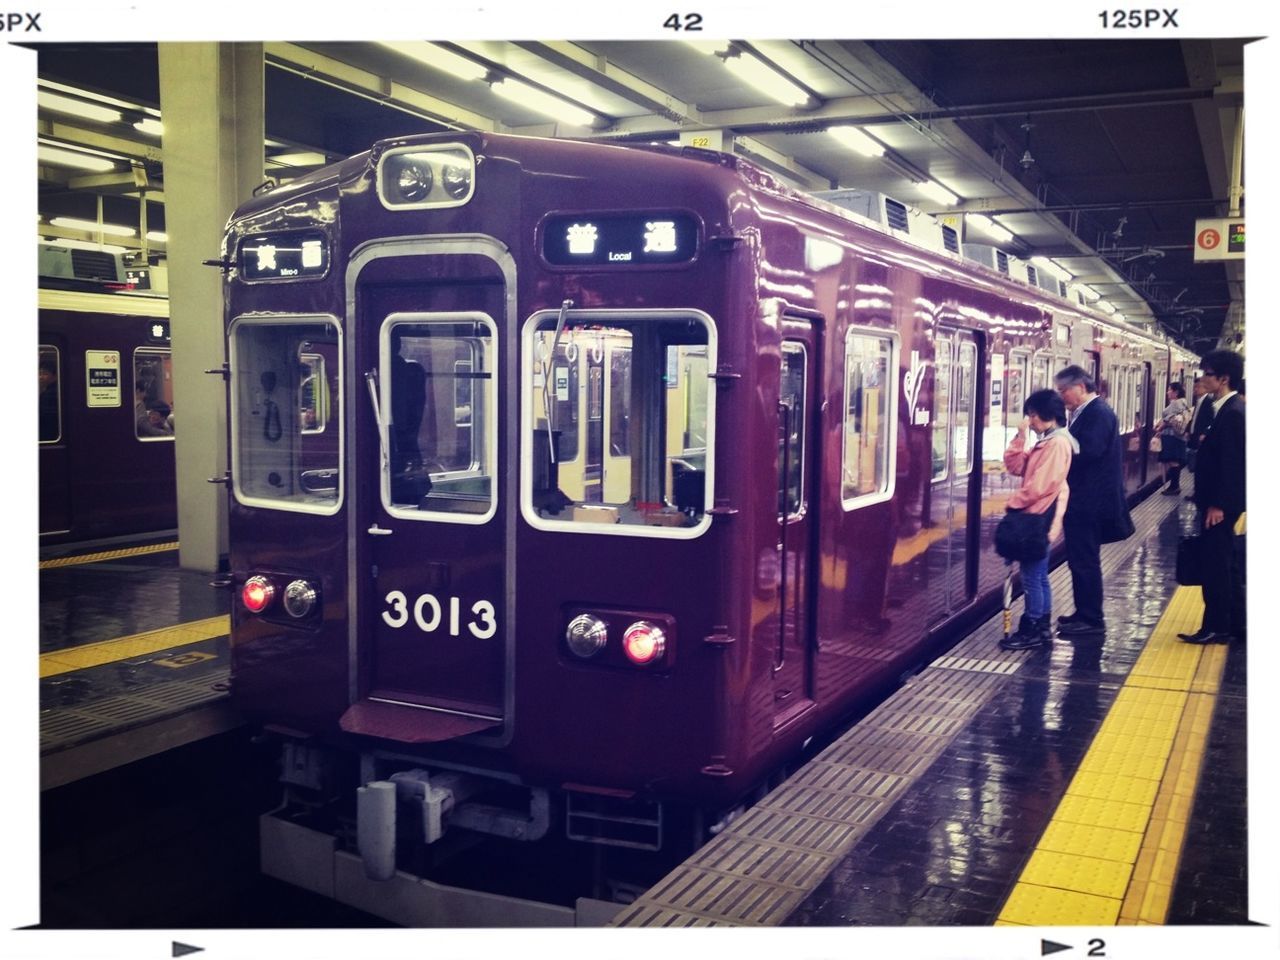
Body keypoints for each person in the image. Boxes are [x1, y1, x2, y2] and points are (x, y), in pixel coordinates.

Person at [998, 389, 1077, 650]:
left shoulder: (1056, 444)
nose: (1030, 420)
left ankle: (1032, 628)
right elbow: (1016, 466)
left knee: (1032, 576)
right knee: (1039, 574)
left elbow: (1039, 486)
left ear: (1048, 415)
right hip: (1040, 516)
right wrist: (1020, 437)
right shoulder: (1047, 441)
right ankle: (1041, 627)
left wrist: (1012, 503)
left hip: (1038, 518)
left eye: (1033, 415)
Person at [1178, 349, 1246, 645]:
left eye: (1207, 373)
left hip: (1219, 506)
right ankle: (1234, 624)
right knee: (1226, 563)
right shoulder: (1227, 409)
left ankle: (1216, 626)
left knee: (1215, 564)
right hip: (1219, 503)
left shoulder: (1232, 413)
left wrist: (1218, 504)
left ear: (1223, 378)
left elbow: (1233, 465)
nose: (1202, 378)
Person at [1054, 365, 1128, 636]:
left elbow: (1089, 451)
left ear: (1080, 388)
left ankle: (1092, 618)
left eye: (1064, 391)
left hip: (1090, 503)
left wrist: (1058, 447)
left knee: (1084, 560)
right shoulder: (1087, 412)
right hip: (1086, 501)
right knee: (1081, 559)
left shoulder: (1098, 413)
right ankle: (1084, 612)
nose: (1062, 396)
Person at [1157, 382, 1191, 494]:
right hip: (1177, 437)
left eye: (1169, 390)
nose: (1167, 392)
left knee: (1173, 461)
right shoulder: (1183, 403)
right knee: (1174, 461)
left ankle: (1174, 486)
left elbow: (1168, 419)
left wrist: (1159, 428)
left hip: (1173, 437)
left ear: (1176, 392)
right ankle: (1174, 485)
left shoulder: (1176, 404)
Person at [39, 357, 59, 442]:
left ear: (54, 376)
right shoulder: (47, 389)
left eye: (45, 374)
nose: (41, 377)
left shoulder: (51, 393)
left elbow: (45, 416)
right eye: (40, 373)